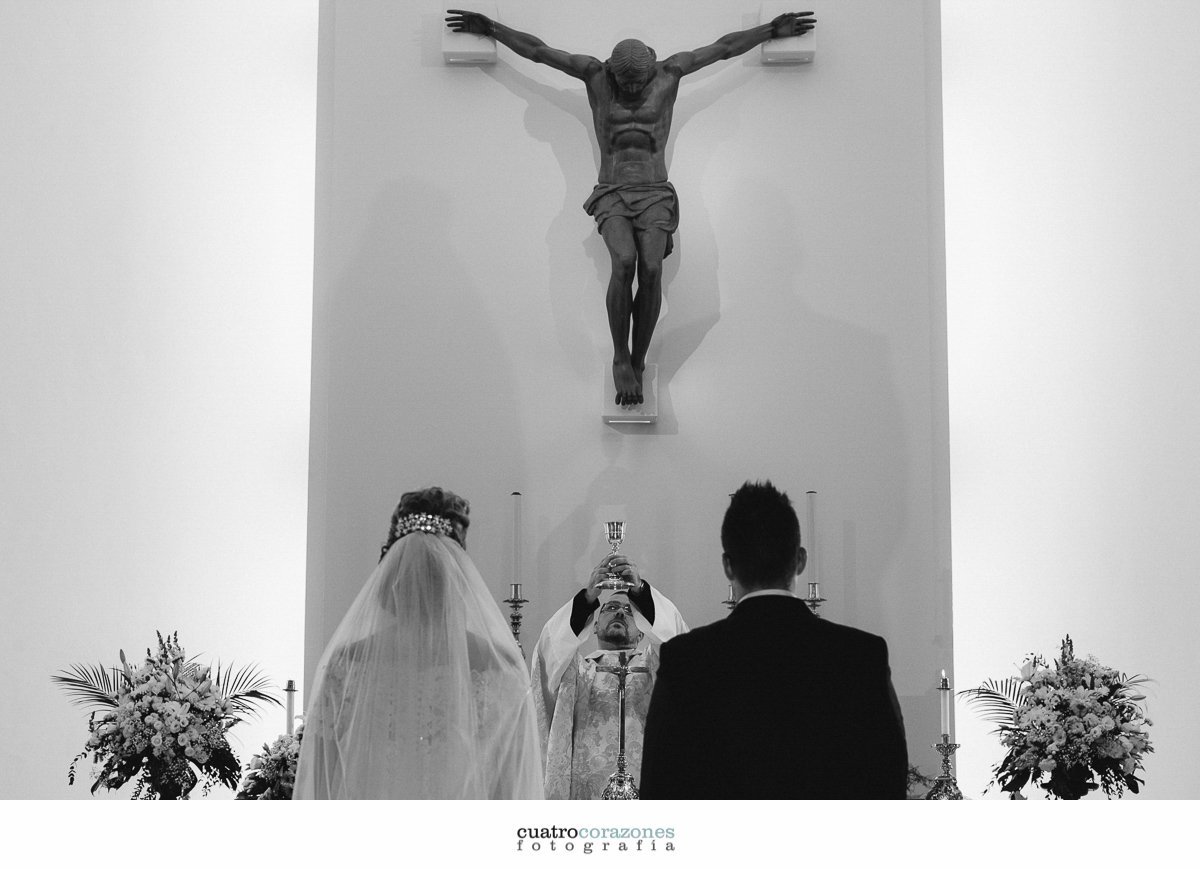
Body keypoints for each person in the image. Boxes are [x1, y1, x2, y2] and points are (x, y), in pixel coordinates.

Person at [445, 10, 817, 407]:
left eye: (639, 81)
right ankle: (620, 357)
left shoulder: (670, 73)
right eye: (626, 83)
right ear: (612, 71)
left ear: (651, 67)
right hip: (613, 190)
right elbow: (539, 52)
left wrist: (770, 31)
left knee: (652, 269)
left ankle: (638, 361)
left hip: (655, 191)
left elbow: (723, 49)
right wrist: (492, 29)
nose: (634, 88)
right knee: (624, 261)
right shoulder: (595, 76)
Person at [639, 481, 908, 799]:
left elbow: (660, 786)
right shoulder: (861, 656)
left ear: (727, 566)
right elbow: (888, 780)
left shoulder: (687, 659)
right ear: (800, 560)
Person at [293, 487, 543, 799]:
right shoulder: (500, 667)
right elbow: (513, 789)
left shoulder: (345, 664)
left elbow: (320, 786)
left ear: (390, 570)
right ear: (458, 573)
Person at [530, 553, 687, 798]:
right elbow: (547, 654)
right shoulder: (577, 672)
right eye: (611, 608)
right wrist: (587, 597)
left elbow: (680, 647)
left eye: (629, 611)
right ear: (594, 625)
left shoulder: (656, 667)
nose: (620, 613)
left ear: (642, 632)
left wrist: (640, 592)